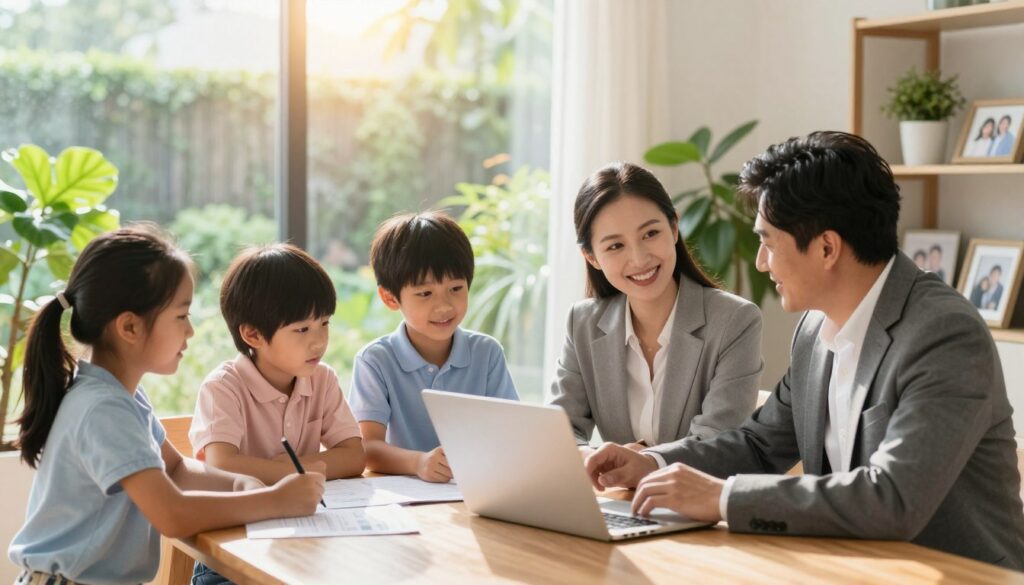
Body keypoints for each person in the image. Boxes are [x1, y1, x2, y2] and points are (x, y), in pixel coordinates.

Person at [585, 131, 1024, 569]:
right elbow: (759, 445)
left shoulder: (944, 334)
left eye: (768, 242)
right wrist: (651, 462)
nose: (760, 262)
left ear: (827, 248)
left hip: (960, 574)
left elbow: (893, 497)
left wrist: (723, 498)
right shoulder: (815, 329)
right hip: (850, 567)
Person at [8, 227, 324, 585]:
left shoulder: (121, 394)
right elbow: (172, 515)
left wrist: (241, 484)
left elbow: (174, 469)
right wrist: (274, 501)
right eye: (181, 315)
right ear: (129, 326)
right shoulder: (102, 409)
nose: (190, 331)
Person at [549, 162, 762, 455]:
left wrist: (642, 463)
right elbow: (560, 430)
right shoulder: (583, 323)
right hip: (616, 498)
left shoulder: (735, 320)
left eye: (650, 234)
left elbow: (716, 440)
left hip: (696, 498)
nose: (639, 259)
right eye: (615, 246)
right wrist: (598, 460)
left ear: (674, 227)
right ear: (591, 256)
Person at [348, 211, 519, 483]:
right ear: (390, 298)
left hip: (476, 487)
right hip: (407, 495)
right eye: (425, 293)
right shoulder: (376, 360)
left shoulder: (487, 353)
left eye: (456, 288)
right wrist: (418, 462)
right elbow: (367, 448)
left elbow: (512, 433)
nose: (444, 306)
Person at [189, 244, 365, 485]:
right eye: (302, 329)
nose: (319, 342)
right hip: (241, 516)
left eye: (324, 323)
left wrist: (288, 467)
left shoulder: (322, 379)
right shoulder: (223, 387)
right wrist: (298, 470)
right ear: (253, 335)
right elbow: (222, 465)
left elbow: (354, 456)